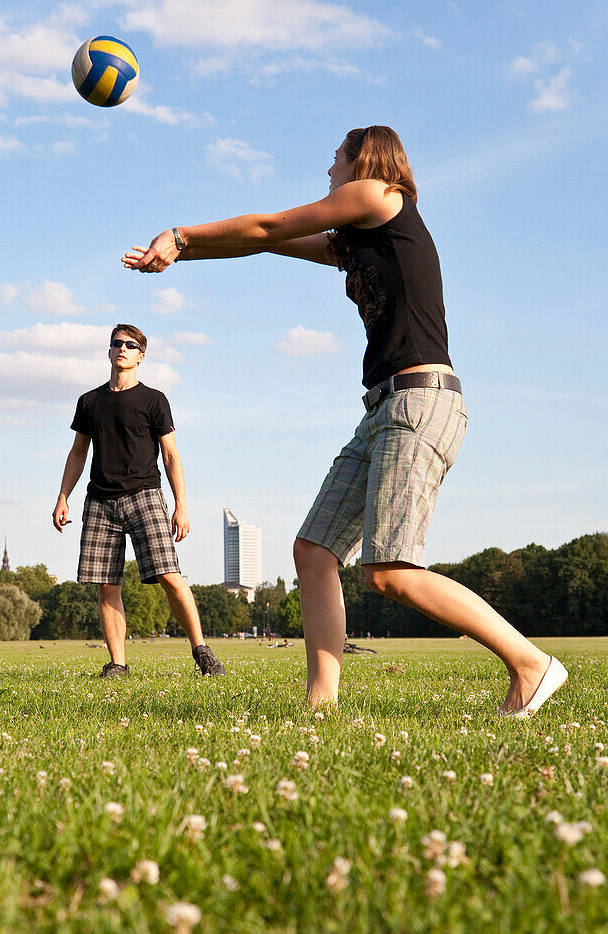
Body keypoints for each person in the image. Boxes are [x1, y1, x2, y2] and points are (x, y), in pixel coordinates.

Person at [122, 126, 567, 717]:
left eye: (336, 160)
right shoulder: (355, 242)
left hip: (420, 402)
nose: (329, 171)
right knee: (313, 551)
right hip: (383, 407)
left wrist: (179, 232)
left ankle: (531, 663)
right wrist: (180, 253)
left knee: (391, 574)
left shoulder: (382, 195)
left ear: (367, 161)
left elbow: (270, 225)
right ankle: (320, 705)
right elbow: (267, 242)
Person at [52, 323, 224, 679]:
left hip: (145, 497)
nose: (122, 349)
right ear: (110, 351)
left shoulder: (154, 400)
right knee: (107, 584)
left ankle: (202, 651)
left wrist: (181, 505)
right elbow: (77, 453)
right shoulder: (89, 401)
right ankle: (118, 663)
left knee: (169, 576)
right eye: (117, 343)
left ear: (141, 356)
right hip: (100, 502)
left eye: (130, 345)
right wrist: (62, 497)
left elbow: (171, 455)